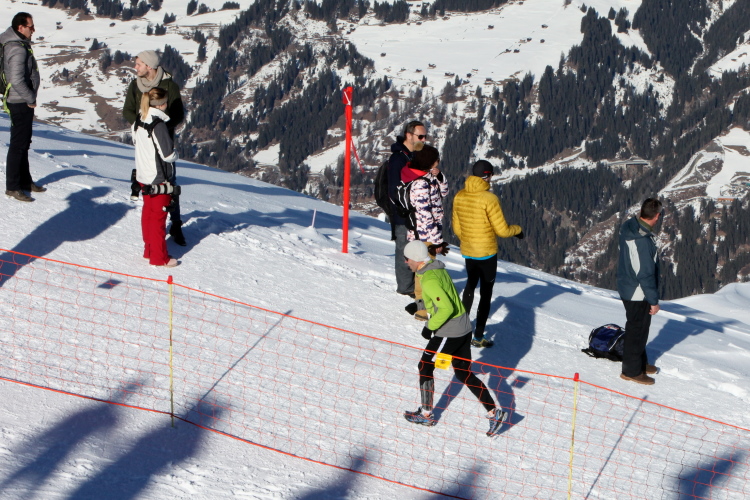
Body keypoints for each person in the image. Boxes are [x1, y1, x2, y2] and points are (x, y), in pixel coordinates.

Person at [401, 240, 508, 437]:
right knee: (463, 373)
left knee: (425, 366)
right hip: (463, 327)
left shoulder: (429, 278)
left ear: (416, 259)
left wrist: (429, 327)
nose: (406, 262)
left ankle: (426, 415)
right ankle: (494, 413)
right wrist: (419, 306)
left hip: (449, 332)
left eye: (407, 259)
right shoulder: (436, 269)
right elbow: (444, 297)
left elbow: (446, 308)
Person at [452, 160, 523, 348]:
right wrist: (518, 230)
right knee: (485, 293)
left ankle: (460, 329)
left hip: (469, 251)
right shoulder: (489, 199)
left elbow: (457, 228)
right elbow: (502, 231)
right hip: (486, 253)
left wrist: (470, 239)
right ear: (487, 176)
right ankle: (478, 337)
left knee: (469, 287)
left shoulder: (459, 196)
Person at [122, 50, 186, 245]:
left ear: (149, 66)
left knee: (169, 184)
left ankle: (175, 224)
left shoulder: (169, 86)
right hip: (144, 143)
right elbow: (128, 110)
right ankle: (154, 224)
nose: (135, 68)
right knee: (148, 181)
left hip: (163, 141)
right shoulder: (135, 85)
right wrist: (142, 126)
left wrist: (159, 128)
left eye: (139, 64)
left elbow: (178, 114)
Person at [617, 198, 662, 385]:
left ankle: (640, 363)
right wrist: (653, 301)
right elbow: (645, 274)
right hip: (637, 292)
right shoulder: (641, 240)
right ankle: (631, 371)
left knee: (639, 329)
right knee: (637, 330)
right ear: (657, 216)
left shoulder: (631, 226)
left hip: (628, 285)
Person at [133, 87, 179, 268]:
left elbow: (136, 142)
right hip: (158, 177)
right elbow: (168, 155)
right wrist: (176, 153)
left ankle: (149, 250)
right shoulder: (158, 125)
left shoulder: (139, 119)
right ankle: (160, 257)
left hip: (143, 173)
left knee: (148, 213)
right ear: (161, 104)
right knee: (159, 218)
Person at [402, 144, 449, 321]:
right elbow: (424, 214)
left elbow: (444, 193)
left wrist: (440, 177)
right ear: (428, 161)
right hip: (423, 237)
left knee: (426, 274)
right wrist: (436, 241)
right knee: (424, 275)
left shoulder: (428, 177)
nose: (438, 161)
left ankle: (426, 305)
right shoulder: (420, 183)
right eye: (436, 159)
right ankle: (422, 309)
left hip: (428, 235)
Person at [2, 12, 43, 203]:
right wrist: (30, 97)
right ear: (20, 27)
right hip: (20, 102)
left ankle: (25, 181)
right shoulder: (17, 49)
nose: (33, 30)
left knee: (23, 143)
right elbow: (16, 80)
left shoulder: (16, 44)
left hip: (20, 101)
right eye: (30, 27)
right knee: (18, 145)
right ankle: (12, 186)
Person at [387, 120, 428, 298]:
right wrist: (406, 207)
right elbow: (394, 189)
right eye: (420, 136)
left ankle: (414, 284)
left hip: (414, 213)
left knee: (414, 249)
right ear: (409, 135)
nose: (424, 140)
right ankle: (405, 288)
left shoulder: (412, 156)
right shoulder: (398, 159)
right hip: (403, 215)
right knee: (404, 250)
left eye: (425, 136)